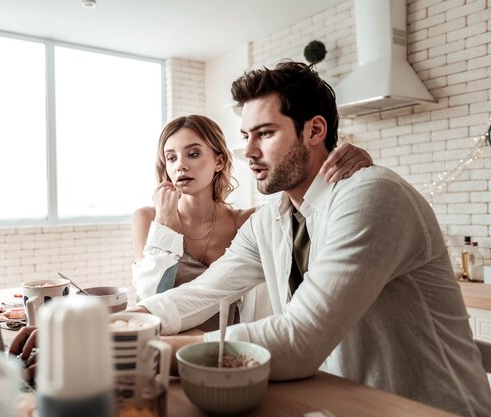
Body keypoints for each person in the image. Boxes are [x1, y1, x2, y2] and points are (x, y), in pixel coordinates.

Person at [132, 61, 491, 416]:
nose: (249, 151)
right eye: (246, 136)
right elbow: (203, 293)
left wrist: (150, 352)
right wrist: (127, 322)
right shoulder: (269, 220)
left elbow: (299, 338)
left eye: (266, 133)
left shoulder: (371, 195)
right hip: (338, 403)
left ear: (315, 130)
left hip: (428, 408)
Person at [131, 114, 373, 330]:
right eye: (171, 158)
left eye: (193, 154)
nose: (180, 165)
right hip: (168, 342)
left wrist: (349, 165)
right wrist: (164, 223)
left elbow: (304, 204)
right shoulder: (150, 218)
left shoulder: (247, 222)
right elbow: (150, 295)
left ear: (219, 161)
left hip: (233, 348)